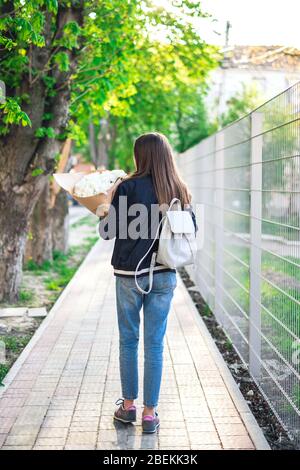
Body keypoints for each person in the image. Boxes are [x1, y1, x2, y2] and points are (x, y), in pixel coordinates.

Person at [98, 132, 197, 433]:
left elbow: (107, 232)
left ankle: (128, 408)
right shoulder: (179, 189)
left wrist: (106, 201)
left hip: (130, 275)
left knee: (129, 341)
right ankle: (150, 415)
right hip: (165, 274)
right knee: (154, 345)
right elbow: (191, 231)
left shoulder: (127, 186)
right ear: (167, 155)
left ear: (139, 156)